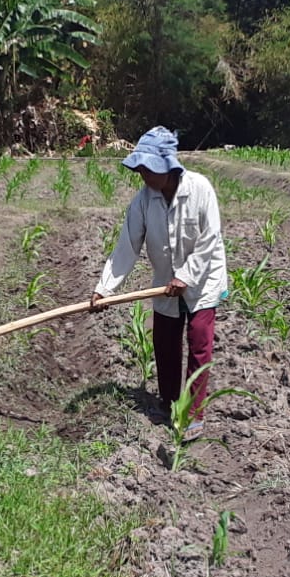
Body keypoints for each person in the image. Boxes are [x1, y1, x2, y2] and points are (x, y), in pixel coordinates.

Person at [92, 126, 227, 438]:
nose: (141, 173)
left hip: (203, 279)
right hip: (165, 281)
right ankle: (168, 403)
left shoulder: (200, 189)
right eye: (139, 167)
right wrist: (104, 288)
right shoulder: (143, 201)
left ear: (167, 166)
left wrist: (187, 275)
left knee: (199, 343)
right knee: (165, 344)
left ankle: (192, 415)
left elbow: (210, 240)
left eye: (147, 167)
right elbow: (126, 246)